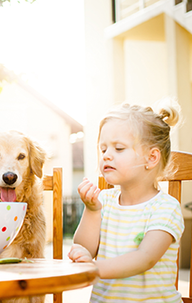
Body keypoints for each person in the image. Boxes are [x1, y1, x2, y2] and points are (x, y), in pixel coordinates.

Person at [68, 101, 184, 302]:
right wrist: (92, 211)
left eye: (119, 148)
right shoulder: (104, 201)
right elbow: (85, 248)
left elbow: (144, 258)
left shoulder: (165, 208)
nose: (106, 156)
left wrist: (94, 268)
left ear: (151, 158)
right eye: (103, 149)